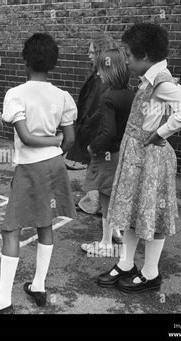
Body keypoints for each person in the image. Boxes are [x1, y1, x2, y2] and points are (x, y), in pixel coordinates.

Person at [0, 33, 77, 314]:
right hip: (55, 165)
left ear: (25, 61)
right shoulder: (63, 96)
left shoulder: (16, 94)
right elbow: (69, 139)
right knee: (45, 223)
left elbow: (27, 137)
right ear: (53, 63)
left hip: (30, 167)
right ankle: (39, 287)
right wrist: (56, 149)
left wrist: (50, 144)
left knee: (10, 229)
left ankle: (3, 303)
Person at [97, 23, 181, 293]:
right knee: (131, 211)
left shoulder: (161, 82)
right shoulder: (153, 79)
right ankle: (126, 263)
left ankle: (151, 273)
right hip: (137, 156)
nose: (126, 60)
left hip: (151, 159)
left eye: (129, 55)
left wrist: (161, 132)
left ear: (144, 55)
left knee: (153, 214)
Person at [80, 47, 135, 257]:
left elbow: (108, 131)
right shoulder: (130, 95)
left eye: (101, 69)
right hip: (123, 152)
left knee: (105, 197)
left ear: (110, 71)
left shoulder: (108, 97)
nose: (98, 73)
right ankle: (116, 233)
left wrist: (93, 147)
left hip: (108, 154)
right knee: (114, 195)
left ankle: (105, 244)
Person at [66, 32, 118, 217]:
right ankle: (91, 201)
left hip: (98, 131)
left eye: (91, 52)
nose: (88, 55)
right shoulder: (101, 74)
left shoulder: (104, 79)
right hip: (93, 128)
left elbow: (97, 108)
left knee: (98, 168)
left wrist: (85, 127)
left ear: (101, 53)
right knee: (94, 167)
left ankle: (96, 204)